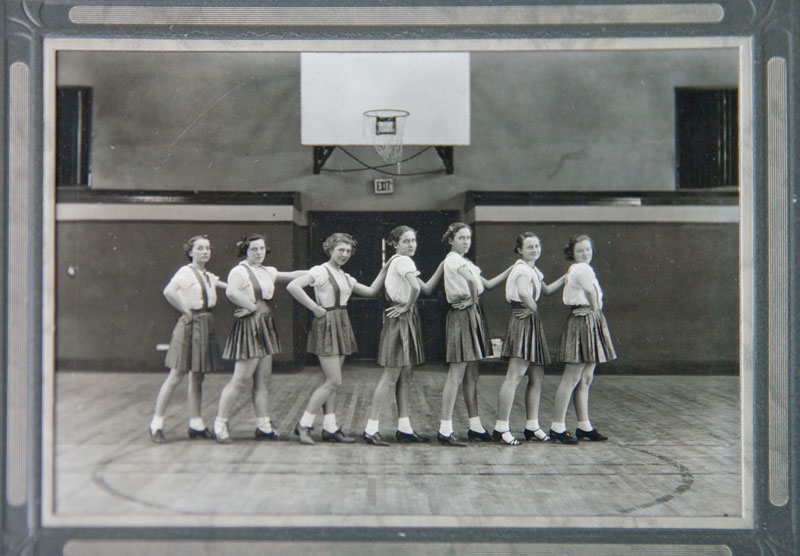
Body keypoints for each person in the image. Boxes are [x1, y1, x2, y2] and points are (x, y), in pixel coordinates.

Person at [287, 233, 388, 445]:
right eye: (340, 250)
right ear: (330, 249)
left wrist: (386, 268)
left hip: (341, 323)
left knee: (332, 382)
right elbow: (293, 286)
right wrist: (314, 307)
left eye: (348, 251)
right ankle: (303, 425)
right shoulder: (320, 271)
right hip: (327, 324)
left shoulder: (344, 276)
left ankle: (330, 428)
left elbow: (370, 291)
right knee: (334, 381)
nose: (344, 254)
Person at [212, 234, 307, 444]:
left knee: (263, 380)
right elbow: (231, 292)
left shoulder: (267, 271)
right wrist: (251, 306)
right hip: (250, 325)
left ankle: (263, 426)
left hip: (265, 324)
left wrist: (318, 272)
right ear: (246, 250)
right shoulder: (239, 271)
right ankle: (220, 423)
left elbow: (291, 275)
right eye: (254, 249)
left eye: (262, 249)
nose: (259, 252)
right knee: (240, 380)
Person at [362, 226, 444, 446]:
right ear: (395, 244)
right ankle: (370, 429)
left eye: (413, 241)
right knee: (391, 376)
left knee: (405, 376)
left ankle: (404, 428)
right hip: (401, 316)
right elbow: (416, 289)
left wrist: (442, 266)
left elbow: (424, 288)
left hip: (405, 316)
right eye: (406, 241)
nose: (411, 245)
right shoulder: (404, 261)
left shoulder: (395, 261)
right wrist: (407, 306)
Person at [437, 222, 513, 447]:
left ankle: (475, 426)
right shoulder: (452, 259)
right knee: (457, 373)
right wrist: (471, 299)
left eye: (468, 238)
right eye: (461, 238)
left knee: (472, 374)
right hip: (463, 314)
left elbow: (485, 284)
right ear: (451, 240)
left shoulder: (465, 262)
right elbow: (471, 282)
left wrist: (512, 269)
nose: (466, 242)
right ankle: (445, 429)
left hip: (472, 314)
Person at [150, 235, 227, 443]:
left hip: (206, 323)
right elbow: (169, 291)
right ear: (191, 252)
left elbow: (228, 288)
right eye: (200, 248)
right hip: (191, 324)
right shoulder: (185, 272)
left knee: (198, 376)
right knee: (177, 374)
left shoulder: (209, 276)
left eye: (208, 248)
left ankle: (196, 423)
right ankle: (156, 424)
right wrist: (185, 311)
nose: (205, 251)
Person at [492, 232, 565, 446]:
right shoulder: (522, 269)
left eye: (536, 246)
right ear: (520, 250)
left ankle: (532, 426)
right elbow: (524, 293)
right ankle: (501, 427)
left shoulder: (533, 269)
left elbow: (548, 290)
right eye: (529, 247)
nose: (534, 250)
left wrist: (567, 276)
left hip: (531, 320)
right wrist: (532, 306)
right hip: (523, 319)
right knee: (514, 377)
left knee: (537, 375)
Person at [549, 234, 617, 444]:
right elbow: (589, 292)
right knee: (572, 378)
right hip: (583, 320)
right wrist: (596, 313)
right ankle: (557, 427)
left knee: (586, 378)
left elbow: (553, 289)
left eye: (588, 249)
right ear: (573, 253)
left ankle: (583, 426)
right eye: (580, 251)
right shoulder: (582, 269)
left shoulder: (576, 269)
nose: (585, 254)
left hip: (588, 320)